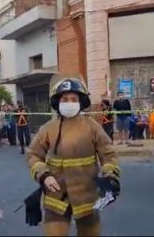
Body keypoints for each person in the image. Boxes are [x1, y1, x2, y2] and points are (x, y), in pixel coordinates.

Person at [25, 77, 120, 236]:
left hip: (87, 198)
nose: (69, 102)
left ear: (81, 102)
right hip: (55, 198)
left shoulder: (92, 127)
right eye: (65, 99)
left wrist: (110, 175)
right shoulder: (48, 128)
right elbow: (33, 154)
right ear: (58, 102)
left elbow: (108, 154)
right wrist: (44, 176)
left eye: (73, 99)